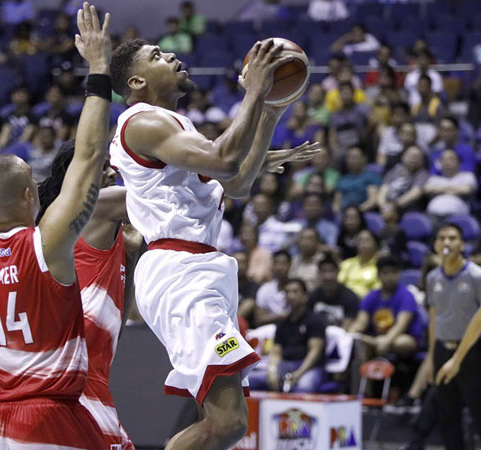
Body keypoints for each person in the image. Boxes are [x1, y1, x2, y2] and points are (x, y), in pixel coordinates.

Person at [108, 35, 313, 448]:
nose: (171, 57)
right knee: (229, 423)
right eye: (156, 56)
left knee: (221, 421)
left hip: (198, 268)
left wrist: (270, 110)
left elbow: (236, 182)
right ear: (135, 82)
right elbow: (225, 161)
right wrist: (255, 92)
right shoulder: (143, 121)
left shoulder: (176, 127)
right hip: (179, 270)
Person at [0, 8, 110, 448]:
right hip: (47, 416)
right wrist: (99, 68)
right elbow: (90, 158)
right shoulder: (48, 244)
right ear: (28, 196)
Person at [36, 142, 137, 450]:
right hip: (76, 374)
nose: (111, 172)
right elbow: (163, 195)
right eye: (101, 165)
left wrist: (130, 255)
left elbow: (122, 306)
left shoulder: (69, 218)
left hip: (84, 369)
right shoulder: (95, 206)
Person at [419, 223, 481, 450]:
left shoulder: (477, 277)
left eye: (452, 238)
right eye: (442, 238)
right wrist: (432, 358)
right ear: (435, 244)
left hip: (471, 353)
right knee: (447, 414)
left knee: (480, 411)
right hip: (444, 350)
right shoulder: (433, 278)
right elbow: (434, 318)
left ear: (462, 245)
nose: (446, 243)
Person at [348, 255, 423, 361]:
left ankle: (373, 343)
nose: (390, 277)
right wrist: (351, 333)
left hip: (400, 337)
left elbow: (401, 325)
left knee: (402, 342)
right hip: (376, 338)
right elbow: (361, 322)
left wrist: (386, 341)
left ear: (399, 274)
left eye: (393, 272)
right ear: (378, 276)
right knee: (358, 344)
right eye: (385, 273)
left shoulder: (406, 295)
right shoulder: (371, 296)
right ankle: (362, 377)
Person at [266, 278, 327, 393]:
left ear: (305, 296)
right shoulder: (282, 322)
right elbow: (276, 351)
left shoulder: (315, 320)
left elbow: (315, 352)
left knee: (304, 386)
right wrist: (272, 371)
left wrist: (299, 373)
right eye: (287, 292)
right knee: (251, 380)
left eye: (295, 292)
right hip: (285, 365)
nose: (290, 295)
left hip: (309, 367)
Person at [308, 255, 359, 330]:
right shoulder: (313, 296)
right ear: (318, 273)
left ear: (338, 272)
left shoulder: (350, 297)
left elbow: (346, 328)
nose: (328, 276)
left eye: (331, 271)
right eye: (324, 271)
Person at [424, 149, 477, 218]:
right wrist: (455, 190)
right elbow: (427, 189)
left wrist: (439, 190)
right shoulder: (434, 178)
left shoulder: (467, 176)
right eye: (444, 160)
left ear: (459, 162)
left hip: (458, 216)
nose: (447, 162)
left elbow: (466, 190)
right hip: (433, 215)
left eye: (451, 159)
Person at [338, 229, 381, 298]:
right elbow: (339, 284)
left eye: (367, 240)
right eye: (360, 240)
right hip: (345, 301)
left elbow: (377, 291)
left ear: (375, 244)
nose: (363, 243)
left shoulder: (379, 266)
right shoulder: (347, 263)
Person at [255, 249, 292, 326]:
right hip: (270, 329)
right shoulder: (265, 289)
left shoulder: (296, 288)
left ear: (290, 265)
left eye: (283, 263)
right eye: (276, 263)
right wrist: (282, 316)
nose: (279, 267)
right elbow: (259, 319)